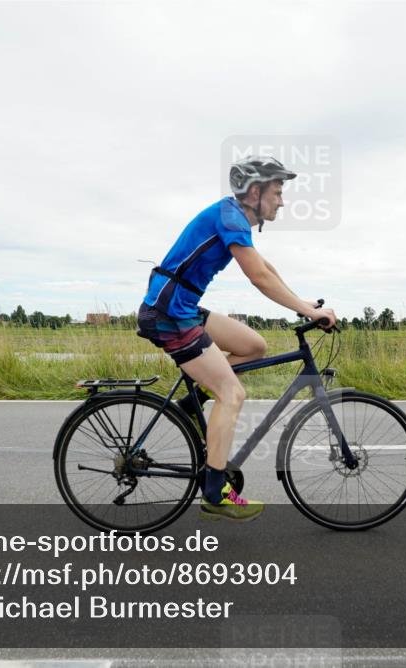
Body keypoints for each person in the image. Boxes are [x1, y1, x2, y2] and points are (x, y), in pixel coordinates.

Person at [137, 156, 337, 522]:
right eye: (277, 191)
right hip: (167, 314)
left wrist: (303, 303)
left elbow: (267, 269)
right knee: (232, 393)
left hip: (180, 307)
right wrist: (311, 314)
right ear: (256, 191)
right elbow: (258, 277)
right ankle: (214, 493)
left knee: (254, 347)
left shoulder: (234, 218)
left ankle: (195, 397)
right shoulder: (229, 215)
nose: (282, 200)